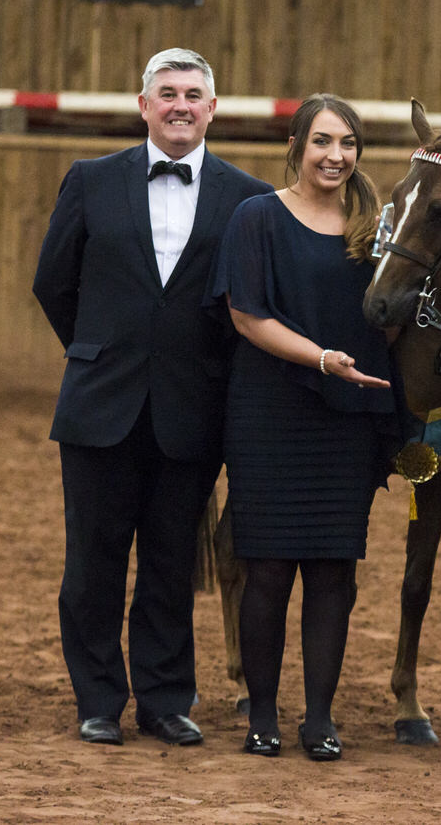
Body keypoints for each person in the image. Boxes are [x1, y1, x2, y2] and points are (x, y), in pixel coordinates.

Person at [33, 48, 273, 746]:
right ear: (143, 106)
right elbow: (54, 283)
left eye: (193, 94)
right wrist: (99, 348)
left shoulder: (247, 196)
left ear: (212, 109)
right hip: (99, 403)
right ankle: (99, 698)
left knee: (172, 562)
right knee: (92, 563)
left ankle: (166, 699)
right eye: (166, 93)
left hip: (191, 409)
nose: (180, 105)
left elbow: (248, 302)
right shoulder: (91, 180)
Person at [209, 93, 396, 761]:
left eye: (347, 143)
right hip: (270, 413)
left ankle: (319, 717)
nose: (335, 155)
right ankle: (262, 714)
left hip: (347, 422)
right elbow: (246, 315)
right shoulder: (256, 217)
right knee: (266, 573)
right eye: (322, 141)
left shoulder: (375, 223)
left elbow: (402, 309)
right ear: (296, 145)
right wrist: (320, 358)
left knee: (332, 575)